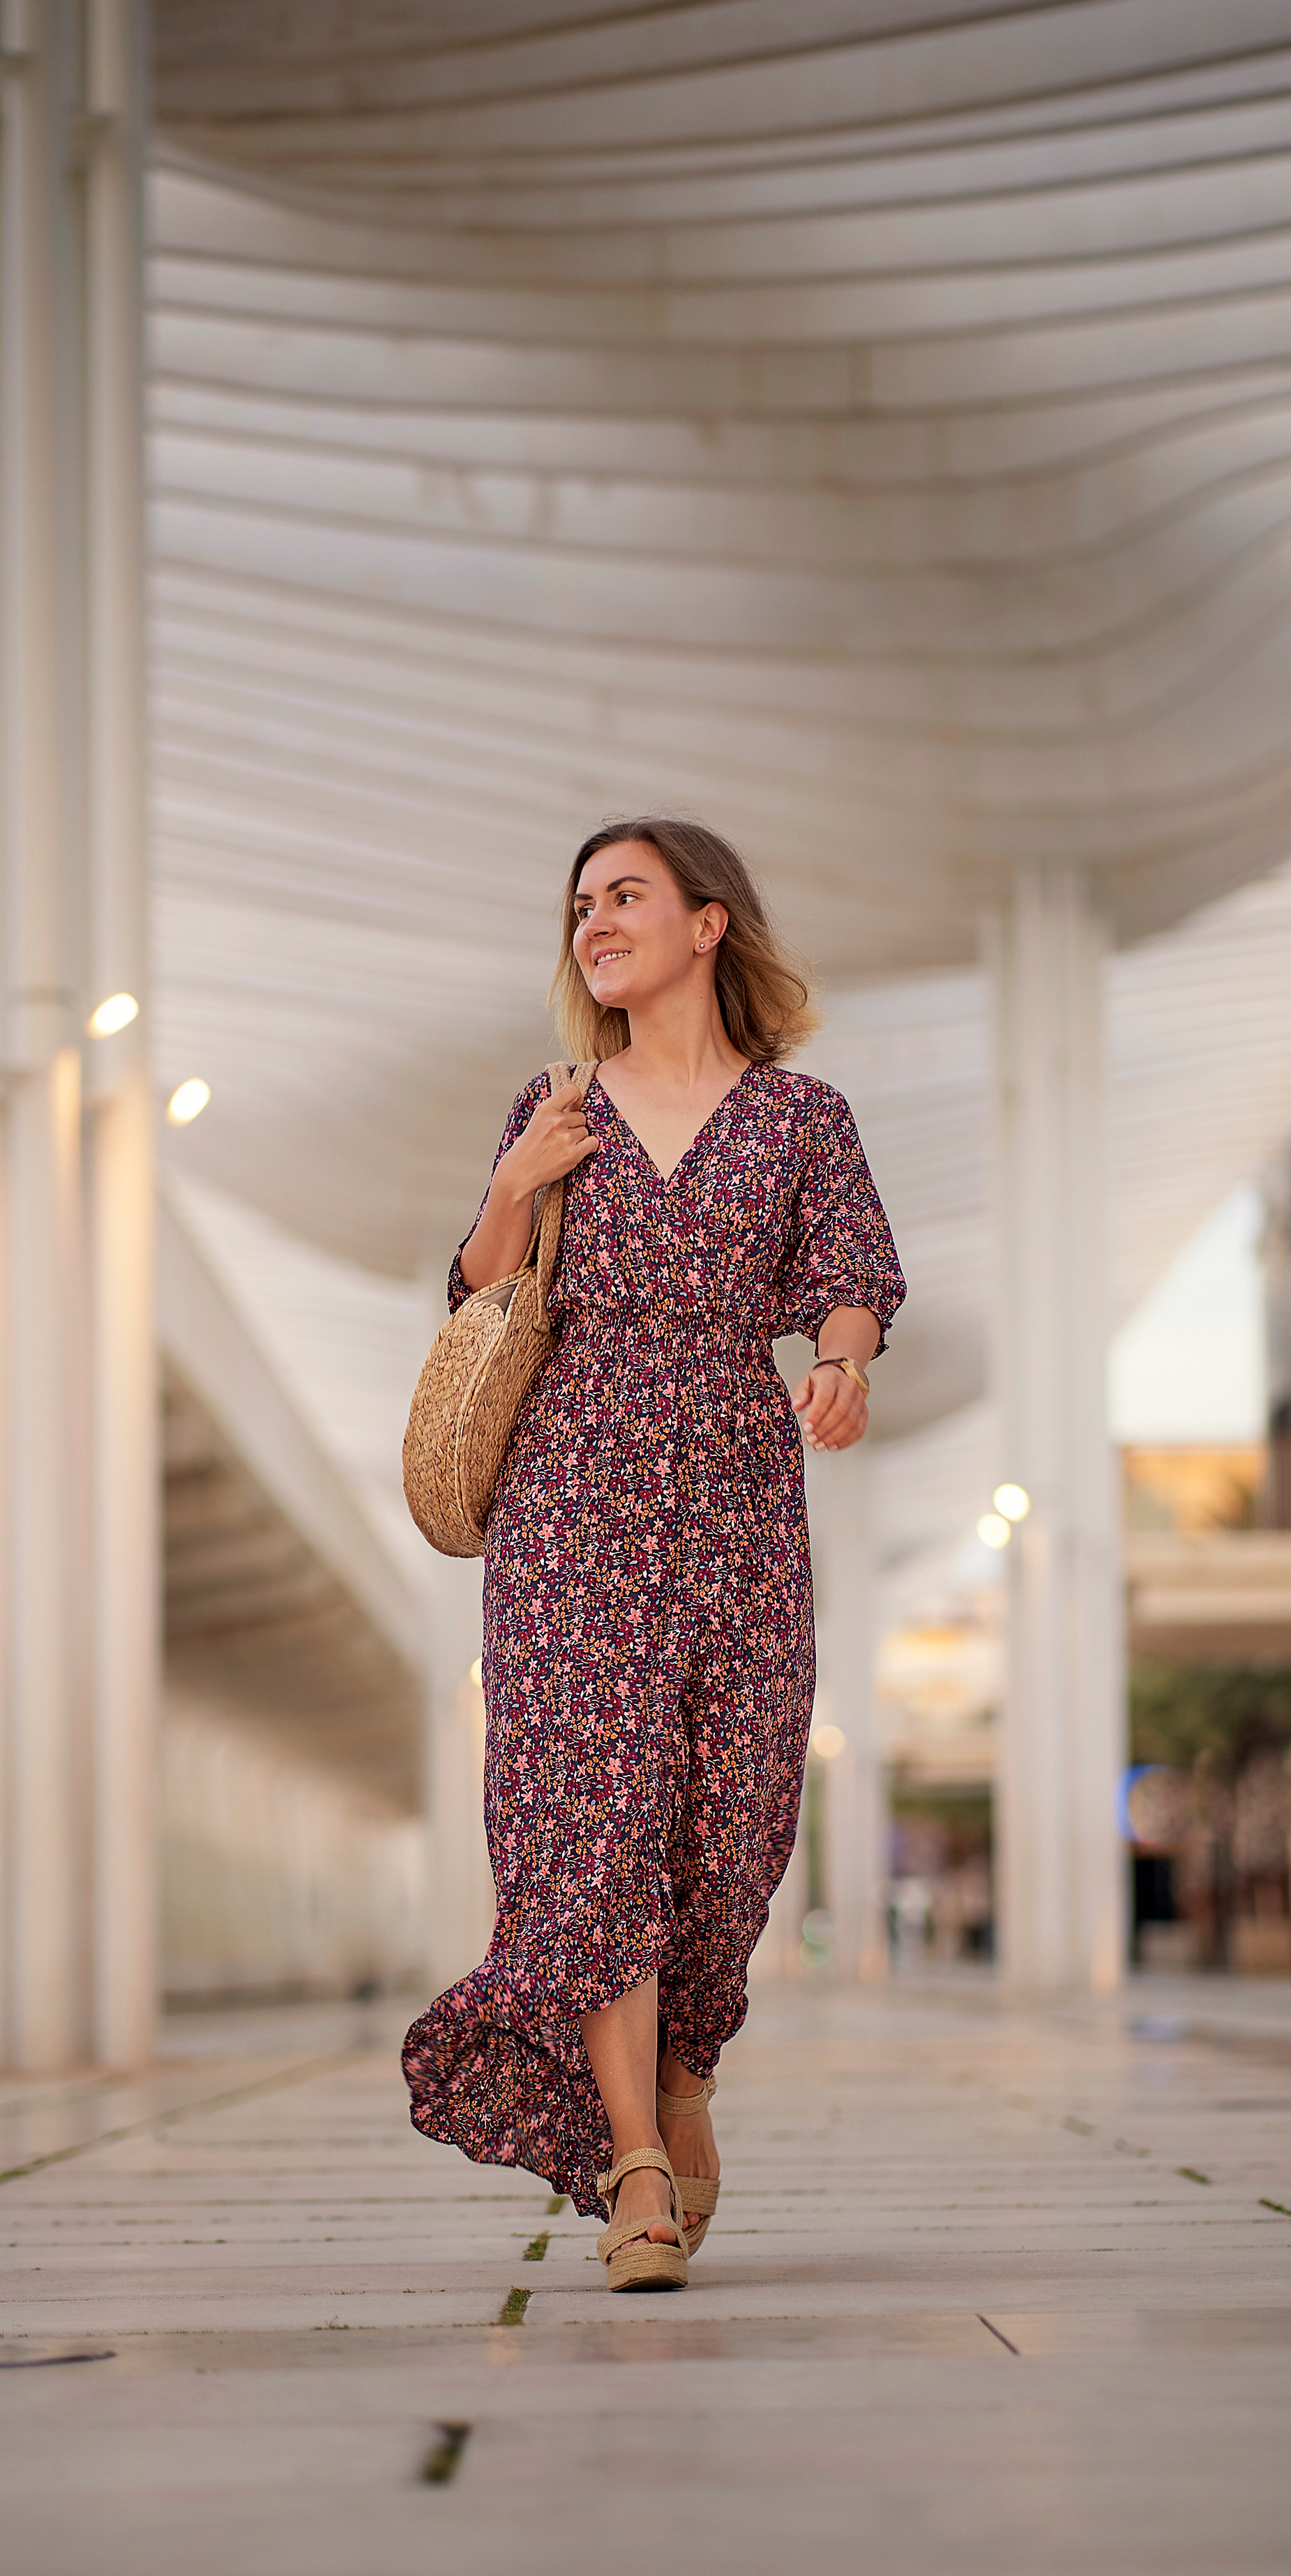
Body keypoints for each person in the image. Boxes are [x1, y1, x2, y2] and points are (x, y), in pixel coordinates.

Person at [402, 818, 904, 2290]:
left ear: (707, 923)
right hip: (568, 1501)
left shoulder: (800, 1117)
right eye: (580, 907)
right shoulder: (554, 1103)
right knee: (595, 1825)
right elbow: (478, 1290)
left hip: (738, 1495)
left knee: (734, 1821)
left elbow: (852, 1271)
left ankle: (687, 2069)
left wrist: (842, 1363)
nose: (595, 924)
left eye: (625, 896)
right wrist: (517, 1180)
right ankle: (630, 2165)